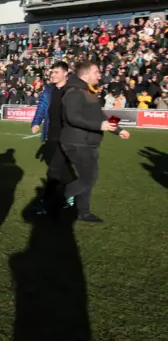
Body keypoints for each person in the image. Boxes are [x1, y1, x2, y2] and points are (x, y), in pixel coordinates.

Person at [60, 61, 130, 223]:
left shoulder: (89, 92)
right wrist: (100, 125)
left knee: (89, 178)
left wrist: (119, 130)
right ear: (85, 75)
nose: (100, 75)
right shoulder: (74, 93)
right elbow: (74, 117)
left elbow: (101, 116)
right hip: (76, 142)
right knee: (88, 178)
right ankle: (62, 196)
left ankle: (83, 212)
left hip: (89, 142)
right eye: (96, 72)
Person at [31, 62, 74, 215]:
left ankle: (46, 203)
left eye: (56, 72)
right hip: (52, 135)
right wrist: (36, 122)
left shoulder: (73, 90)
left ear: (65, 73)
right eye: (52, 72)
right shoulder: (49, 90)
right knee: (63, 169)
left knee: (54, 170)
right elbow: (41, 108)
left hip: (68, 137)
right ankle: (73, 193)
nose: (52, 74)